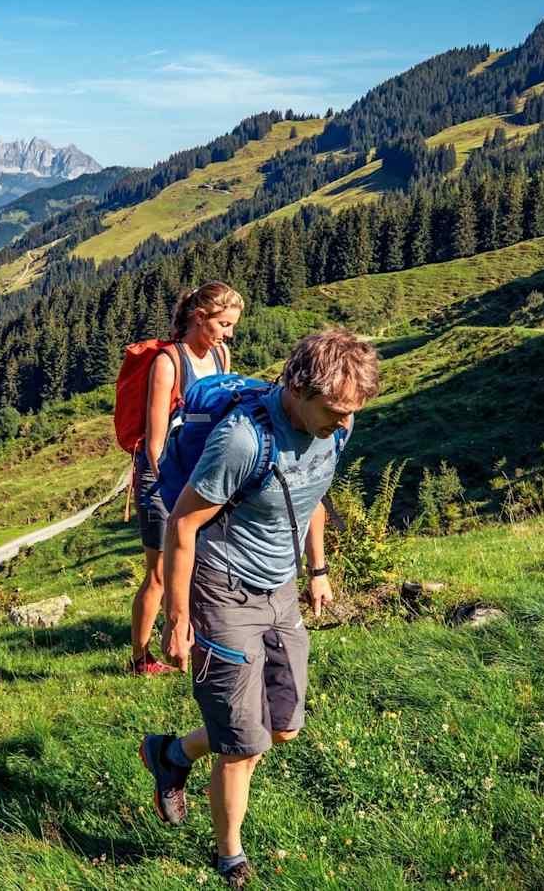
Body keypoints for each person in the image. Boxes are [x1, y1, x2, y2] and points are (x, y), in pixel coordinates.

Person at [138, 329, 380, 888]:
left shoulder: (336, 425)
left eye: (352, 411)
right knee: (243, 745)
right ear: (297, 387)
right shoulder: (243, 441)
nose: (344, 423)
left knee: (281, 728)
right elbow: (182, 523)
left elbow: (314, 491)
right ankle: (230, 856)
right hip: (223, 593)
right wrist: (179, 621)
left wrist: (317, 570)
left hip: (283, 590)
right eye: (336, 410)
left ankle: (171, 753)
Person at [128, 281, 244, 675]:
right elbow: (156, 445)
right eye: (224, 324)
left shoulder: (222, 356)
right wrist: (177, 493)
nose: (228, 333)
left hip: (202, 474)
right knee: (159, 573)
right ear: (200, 318)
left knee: (198, 566)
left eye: (231, 326)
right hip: (164, 477)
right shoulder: (168, 362)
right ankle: (141, 658)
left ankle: (190, 644)